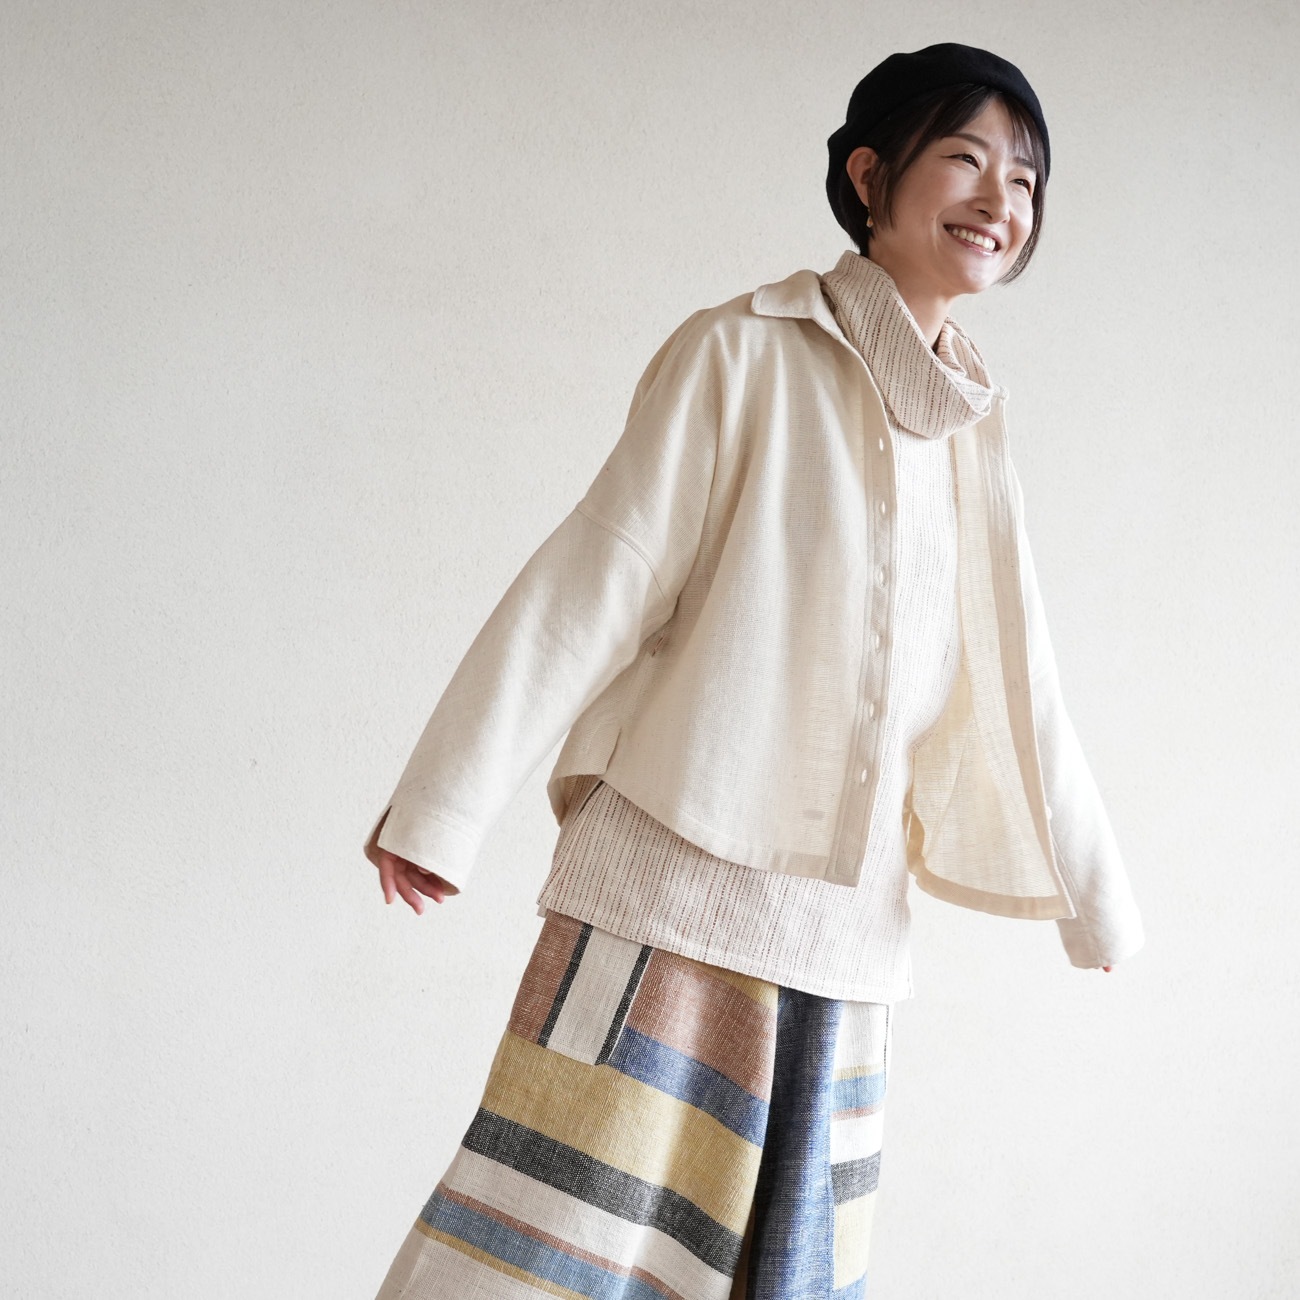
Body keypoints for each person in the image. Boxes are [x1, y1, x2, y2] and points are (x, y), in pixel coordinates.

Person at [363, 42, 1144, 1299]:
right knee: (543, 1267)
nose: (1000, 199)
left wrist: (1093, 902)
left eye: (1025, 179)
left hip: (847, 949)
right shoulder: (740, 351)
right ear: (869, 175)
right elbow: (598, 573)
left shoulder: (972, 435)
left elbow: (1021, 686)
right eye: (964, 159)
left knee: (785, 1283)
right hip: (666, 900)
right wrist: (440, 808)